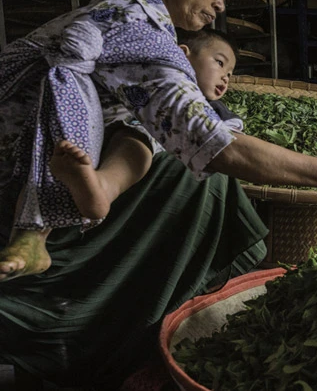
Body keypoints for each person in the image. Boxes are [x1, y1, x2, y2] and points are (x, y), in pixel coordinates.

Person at [0, 0, 317, 387]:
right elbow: (216, 146)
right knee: (204, 181)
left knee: (161, 155)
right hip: (21, 175)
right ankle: (91, 330)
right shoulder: (133, 25)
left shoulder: (133, 21)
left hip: (46, 164)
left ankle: (136, 323)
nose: (220, 4)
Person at [0, 27, 244, 282]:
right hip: (102, 129)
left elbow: (226, 140)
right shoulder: (146, 75)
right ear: (183, 55)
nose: (226, 78)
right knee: (69, 139)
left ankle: (103, 188)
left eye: (229, 74)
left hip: (146, 136)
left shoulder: (212, 108)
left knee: (136, 140)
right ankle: (31, 235)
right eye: (219, 63)